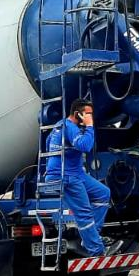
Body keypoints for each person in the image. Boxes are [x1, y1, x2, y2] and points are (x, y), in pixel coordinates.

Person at [44, 99, 112, 257]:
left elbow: (48, 143)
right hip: (65, 175)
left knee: (103, 193)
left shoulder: (60, 125)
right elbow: (85, 146)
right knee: (84, 212)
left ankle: (90, 237)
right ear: (77, 114)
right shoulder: (70, 127)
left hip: (76, 173)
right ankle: (96, 250)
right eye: (88, 115)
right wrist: (89, 126)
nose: (91, 118)